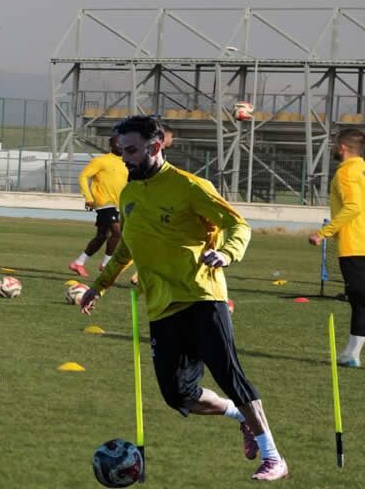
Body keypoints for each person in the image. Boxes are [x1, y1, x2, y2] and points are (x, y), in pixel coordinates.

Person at [80, 115, 288, 482]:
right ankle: (239, 415)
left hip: (202, 295)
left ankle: (273, 456)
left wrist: (227, 253)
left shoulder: (190, 186)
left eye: (132, 151)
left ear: (156, 146)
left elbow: (238, 225)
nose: (125, 159)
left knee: (229, 375)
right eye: (121, 151)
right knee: (178, 395)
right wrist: (99, 285)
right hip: (161, 307)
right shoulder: (129, 194)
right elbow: (128, 245)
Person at [309, 127, 365, 367]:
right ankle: (350, 354)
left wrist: (324, 232)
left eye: (333, 144)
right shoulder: (361, 169)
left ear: (342, 147)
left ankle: (351, 355)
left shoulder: (346, 172)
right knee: (359, 300)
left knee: (360, 299)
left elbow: (353, 206)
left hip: (355, 246)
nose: (332, 147)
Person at [70, 134, 127, 278]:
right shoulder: (101, 161)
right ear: (111, 145)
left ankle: (78, 263)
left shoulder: (127, 163)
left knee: (102, 236)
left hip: (118, 204)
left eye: (123, 143)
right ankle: (106, 264)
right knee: (117, 232)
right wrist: (88, 197)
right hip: (103, 202)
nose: (121, 145)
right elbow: (83, 176)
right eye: (118, 143)